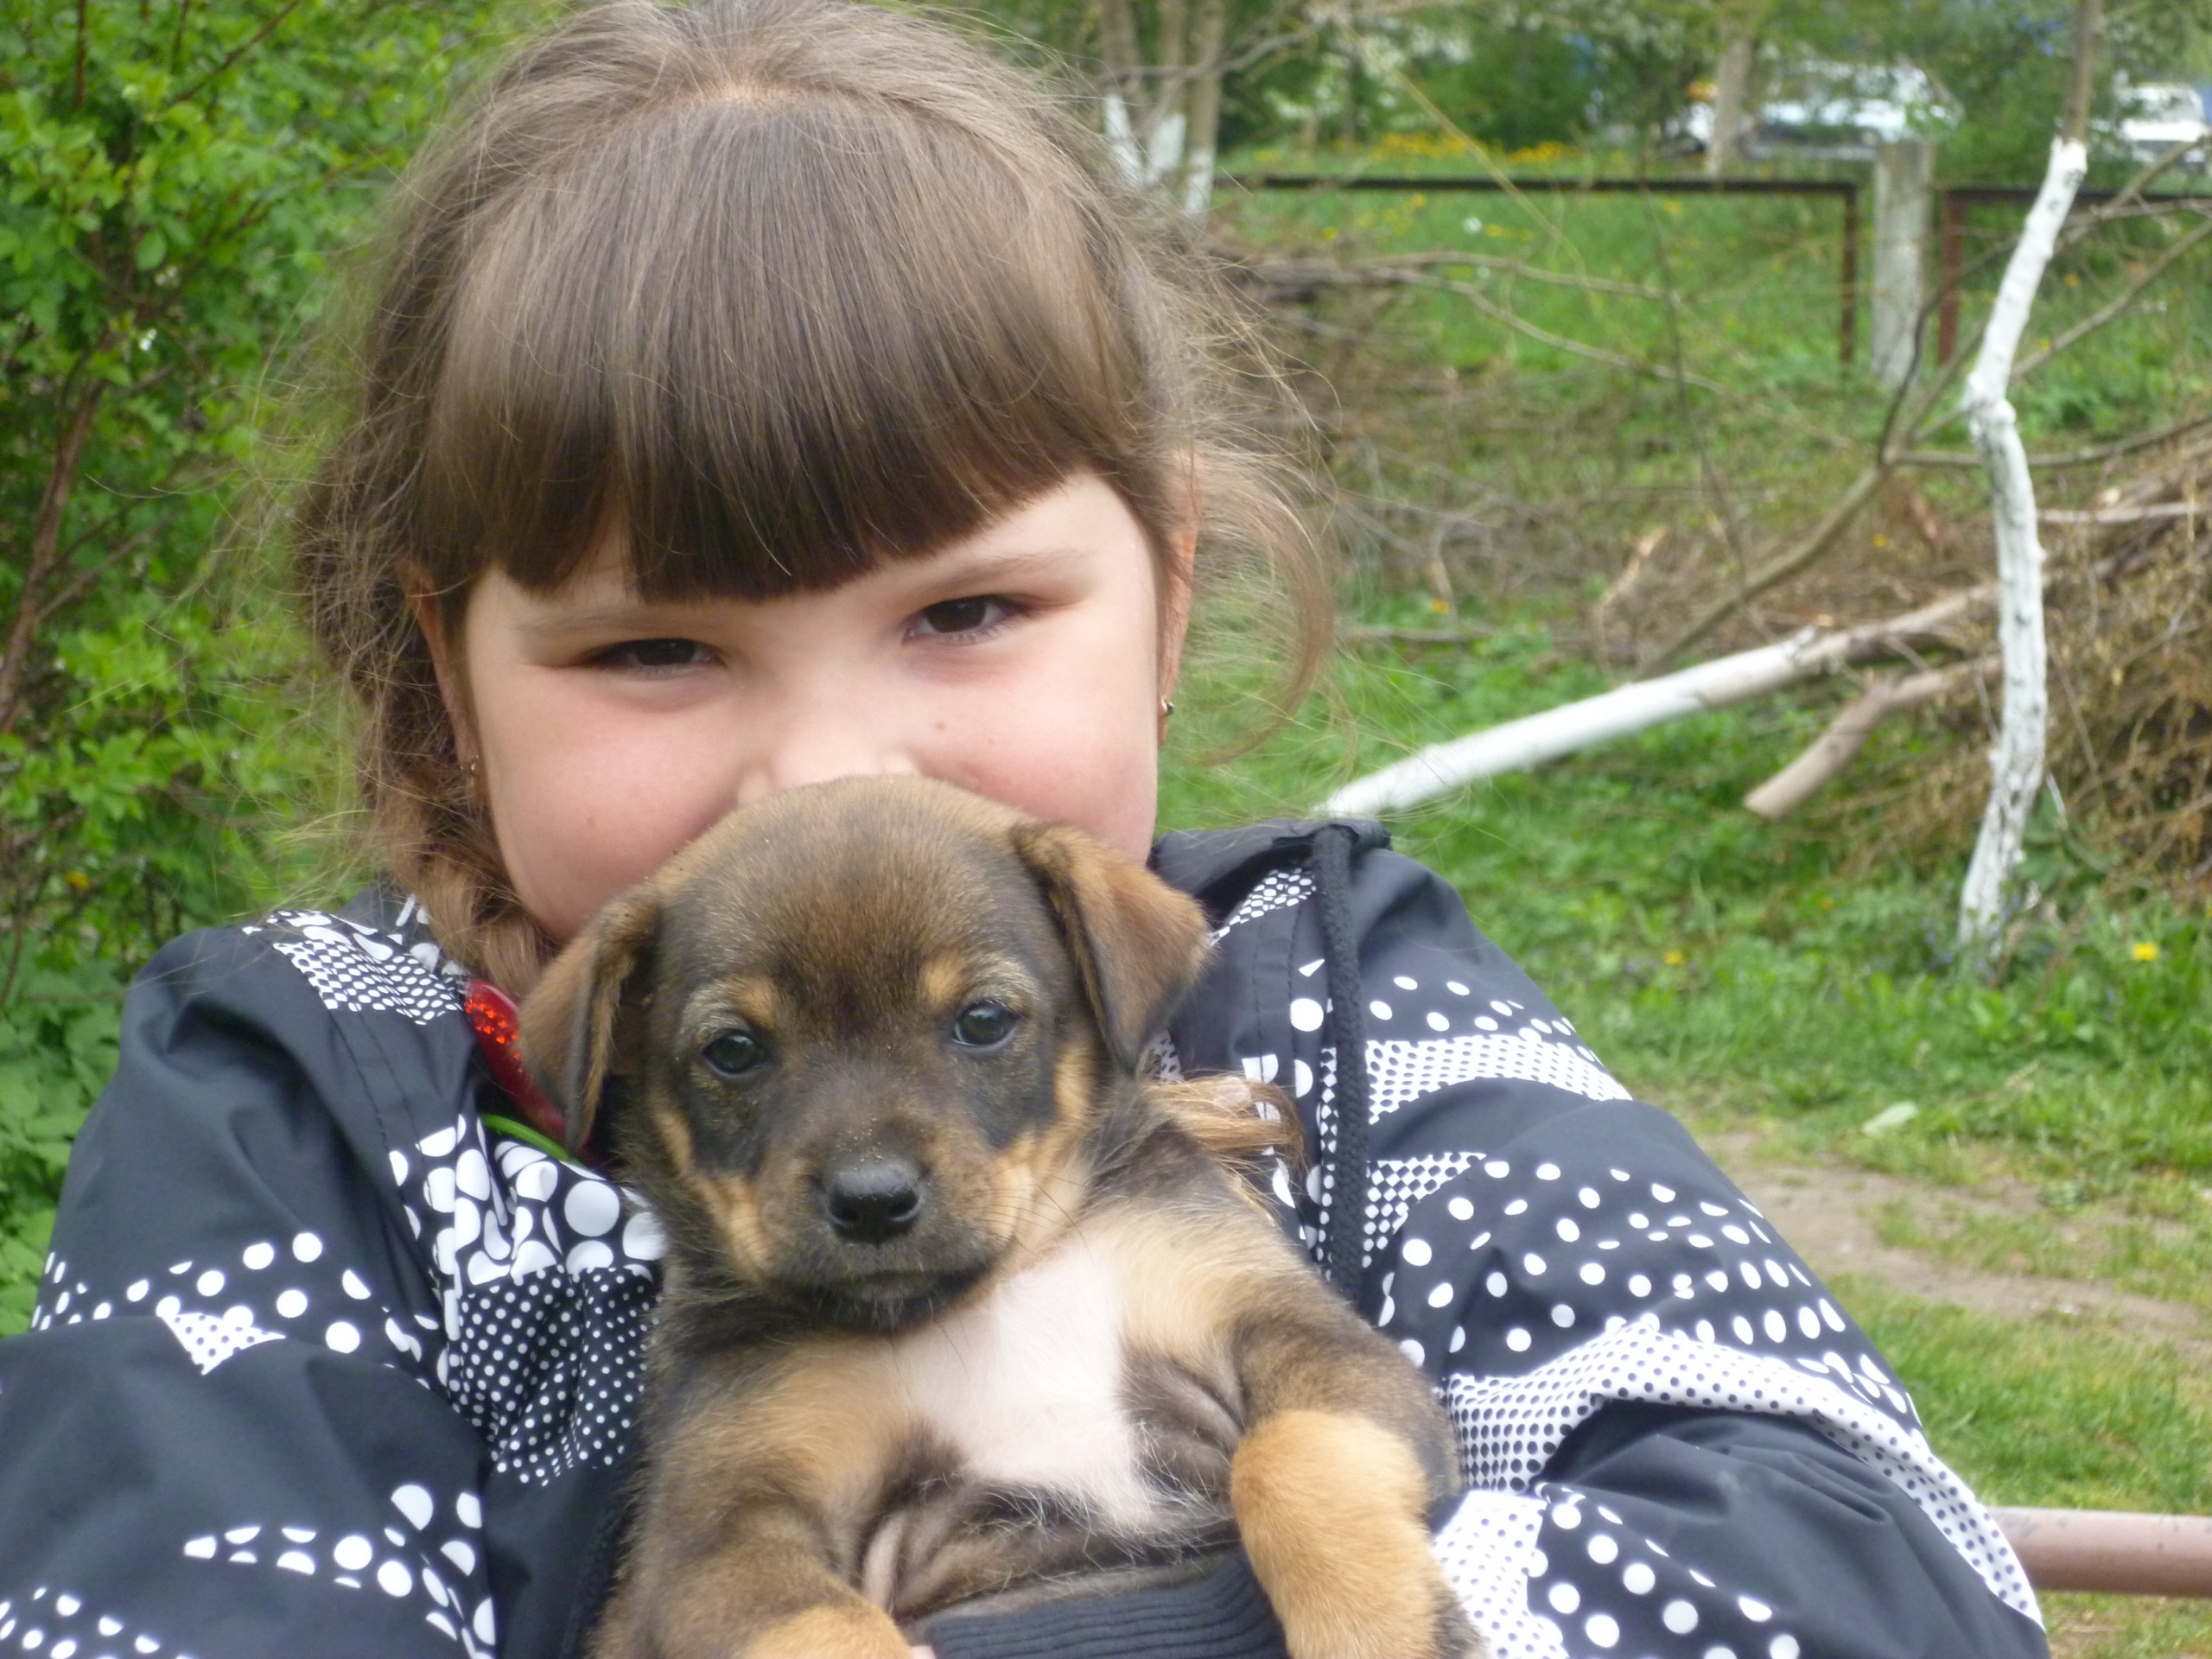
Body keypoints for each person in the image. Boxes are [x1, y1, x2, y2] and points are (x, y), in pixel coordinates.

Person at [0, 3, 2048, 1656]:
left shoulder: (1342, 1005)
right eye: (654, 647)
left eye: (964, 610)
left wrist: (1325, 1555)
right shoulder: (304, 1097)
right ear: (450, 674)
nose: (830, 773)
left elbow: (1879, 1565)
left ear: (1166, 591)